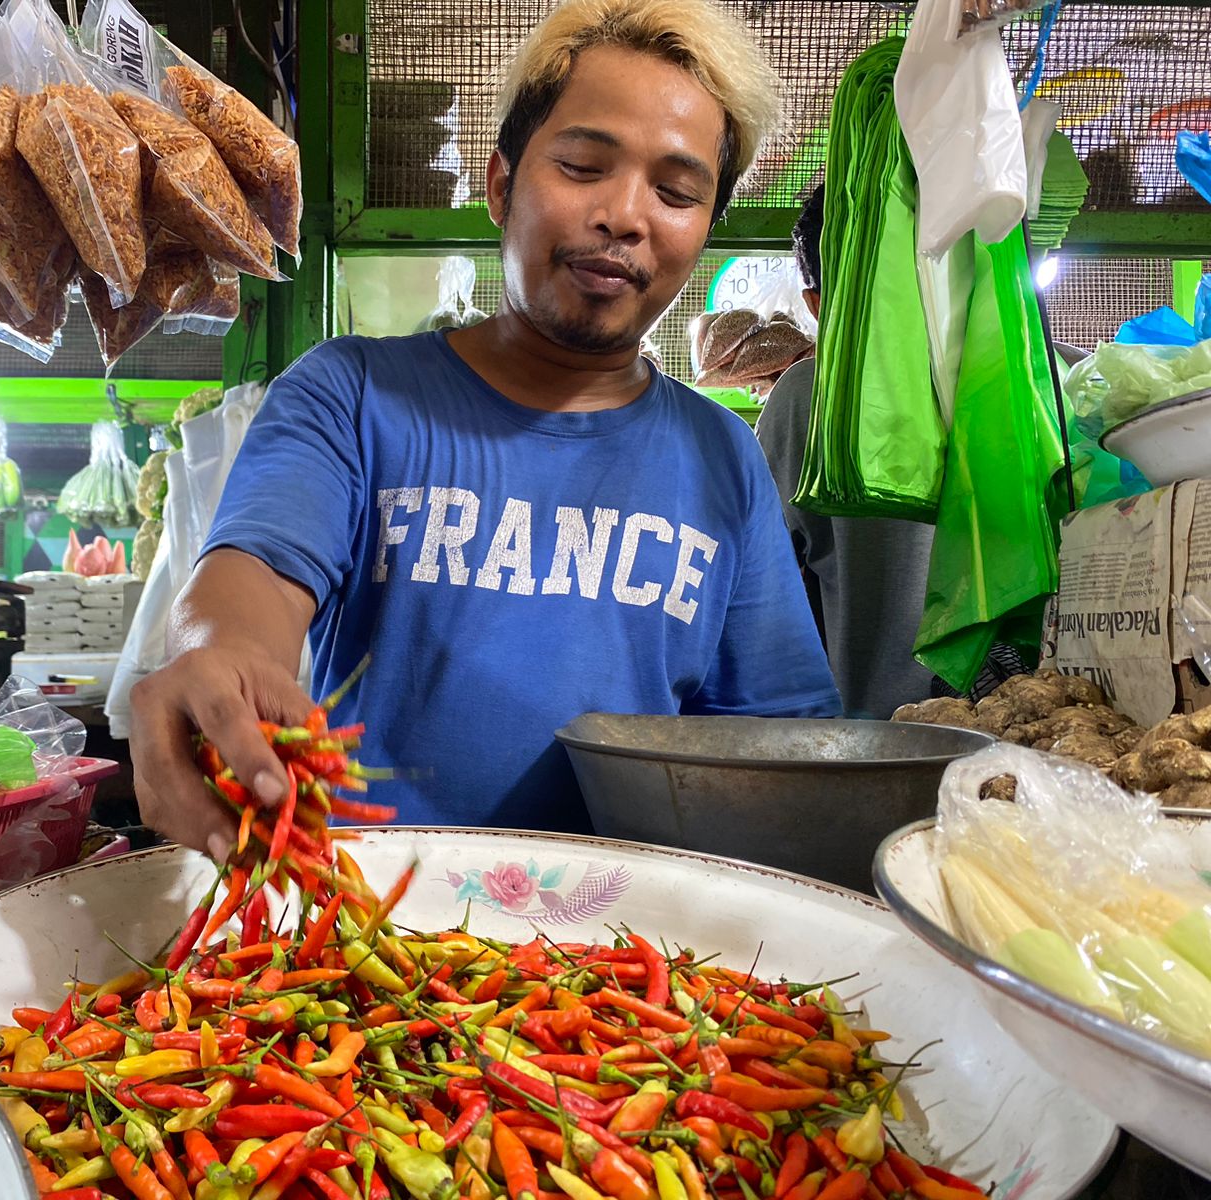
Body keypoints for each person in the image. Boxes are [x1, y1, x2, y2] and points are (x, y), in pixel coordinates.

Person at [128, 0, 841, 859]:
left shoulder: (721, 457)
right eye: (582, 166)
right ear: (502, 185)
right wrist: (220, 659)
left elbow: (780, 737)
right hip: (365, 937)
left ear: (703, 228)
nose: (625, 214)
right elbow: (253, 587)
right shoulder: (354, 396)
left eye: (677, 190)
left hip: (616, 964)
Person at [754, 187, 937, 719]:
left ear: (816, 304)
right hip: (1053, 738)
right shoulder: (1053, 379)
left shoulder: (808, 396)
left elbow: (772, 603)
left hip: (883, 744)